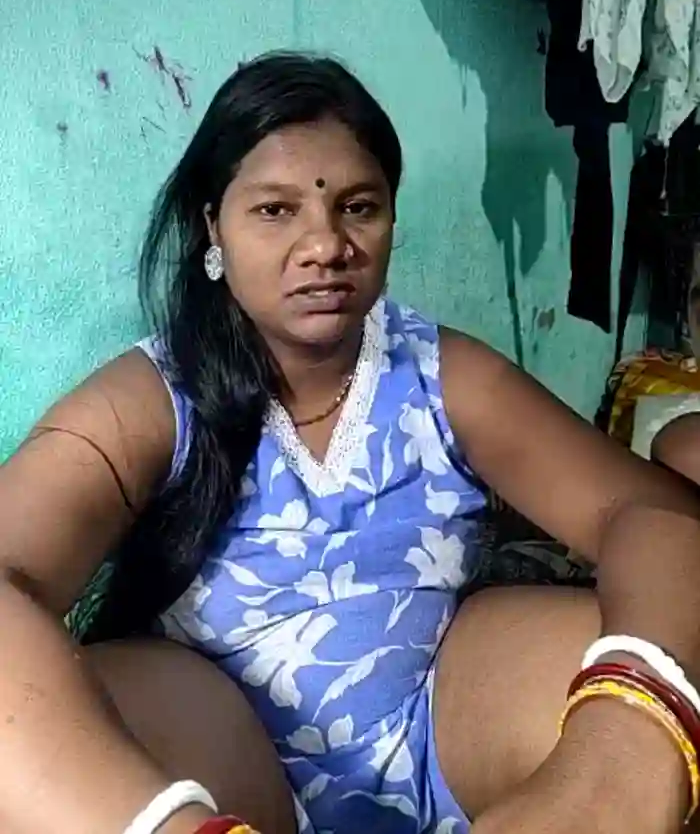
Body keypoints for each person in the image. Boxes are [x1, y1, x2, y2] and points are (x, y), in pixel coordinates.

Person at [2, 52, 700, 834]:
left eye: (357, 208)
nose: (325, 244)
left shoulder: (440, 374)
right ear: (212, 227)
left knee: (670, 620)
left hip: (443, 743)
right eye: (276, 210)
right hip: (217, 776)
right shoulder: (150, 400)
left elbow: (651, 517)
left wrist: (625, 742)